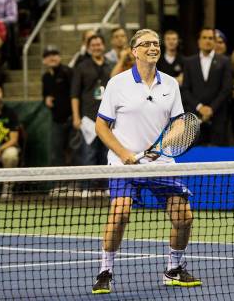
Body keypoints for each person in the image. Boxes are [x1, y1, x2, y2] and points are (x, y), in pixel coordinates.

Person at [92, 28, 201, 294]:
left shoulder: (170, 84)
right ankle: (105, 271)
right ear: (134, 51)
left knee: (184, 217)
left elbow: (179, 125)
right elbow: (101, 127)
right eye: (146, 44)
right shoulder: (117, 84)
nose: (153, 47)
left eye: (156, 43)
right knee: (120, 215)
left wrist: (162, 145)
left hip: (160, 163)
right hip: (123, 164)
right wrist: (123, 153)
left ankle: (173, 269)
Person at [71, 34, 112, 195]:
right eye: (93, 45)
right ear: (88, 48)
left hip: (107, 119)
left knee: (106, 154)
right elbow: (74, 94)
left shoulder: (110, 65)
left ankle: (104, 187)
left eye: (99, 44)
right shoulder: (82, 67)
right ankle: (86, 188)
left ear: (103, 46)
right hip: (88, 119)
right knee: (88, 154)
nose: (96, 47)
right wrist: (76, 116)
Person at [181, 27, 233, 146]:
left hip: (218, 117)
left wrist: (211, 109)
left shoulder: (225, 61)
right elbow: (185, 89)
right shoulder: (189, 62)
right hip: (194, 118)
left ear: (215, 41)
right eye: (204, 38)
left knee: (217, 157)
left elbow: (226, 89)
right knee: (195, 157)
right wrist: (200, 107)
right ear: (199, 41)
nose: (207, 41)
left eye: (211, 38)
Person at [42, 44, 77, 195]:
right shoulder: (46, 77)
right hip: (56, 121)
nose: (52, 57)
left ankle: (75, 184)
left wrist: (76, 117)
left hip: (72, 120)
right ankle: (59, 184)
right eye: (49, 55)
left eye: (55, 54)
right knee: (57, 154)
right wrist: (46, 99)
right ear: (44, 60)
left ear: (60, 57)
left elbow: (75, 95)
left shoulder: (68, 72)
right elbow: (46, 95)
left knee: (74, 153)